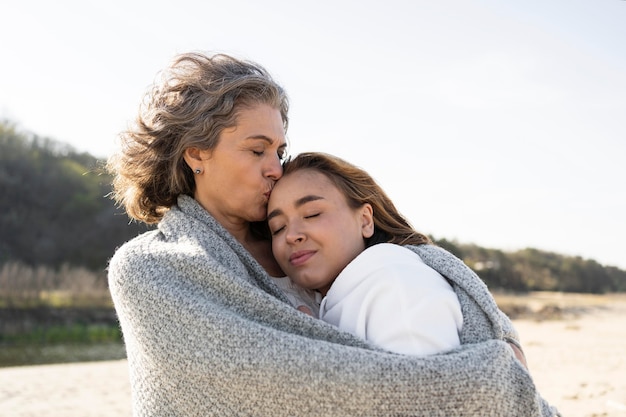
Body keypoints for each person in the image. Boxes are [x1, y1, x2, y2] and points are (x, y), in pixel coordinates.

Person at [106, 51, 559, 416]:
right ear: (197, 154)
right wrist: (488, 379)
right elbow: (278, 380)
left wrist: (499, 338)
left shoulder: (312, 245)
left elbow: (416, 290)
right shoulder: (153, 267)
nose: (275, 167)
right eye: (257, 149)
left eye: (280, 150)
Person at [267, 152, 463, 356]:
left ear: (365, 221)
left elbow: (428, 383)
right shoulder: (334, 297)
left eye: (312, 214)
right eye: (278, 228)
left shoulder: (396, 285)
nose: (291, 235)